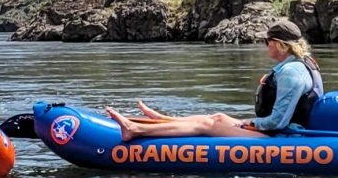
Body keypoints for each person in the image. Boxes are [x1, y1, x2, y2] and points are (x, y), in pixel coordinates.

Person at [106, 20, 323, 141]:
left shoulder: (291, 72)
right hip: (283, 133)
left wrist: (249, 122)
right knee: (217, 116)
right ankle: (164, 120)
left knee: (209, 124)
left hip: (285, 139)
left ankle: (136, 131)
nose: (265, 44)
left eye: (267, 41)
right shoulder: (301, 64)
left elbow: (277, 122)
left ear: (278, 43)